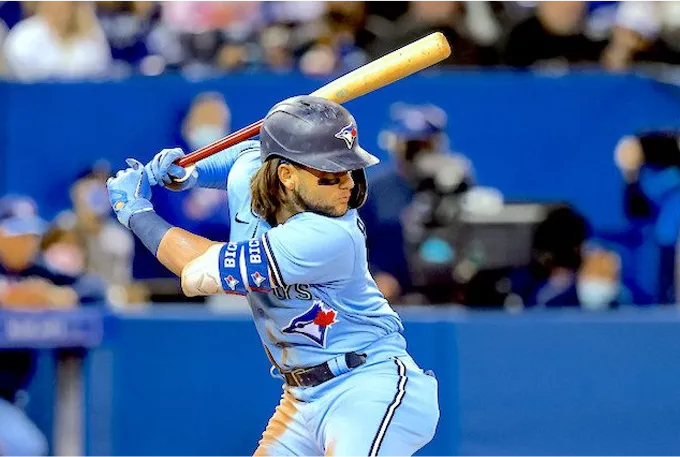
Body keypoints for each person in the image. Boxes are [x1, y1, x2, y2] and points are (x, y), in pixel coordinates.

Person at [106, 96, 440, 457]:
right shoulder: (257, 173)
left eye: (351, 170)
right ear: (286, 175)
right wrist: (192, 173)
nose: (346, 184)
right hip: (301, 396)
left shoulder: (330, 235)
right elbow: (244, 156)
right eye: (330, 173)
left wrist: (137, 212)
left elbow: (198, 269)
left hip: (368, 386)